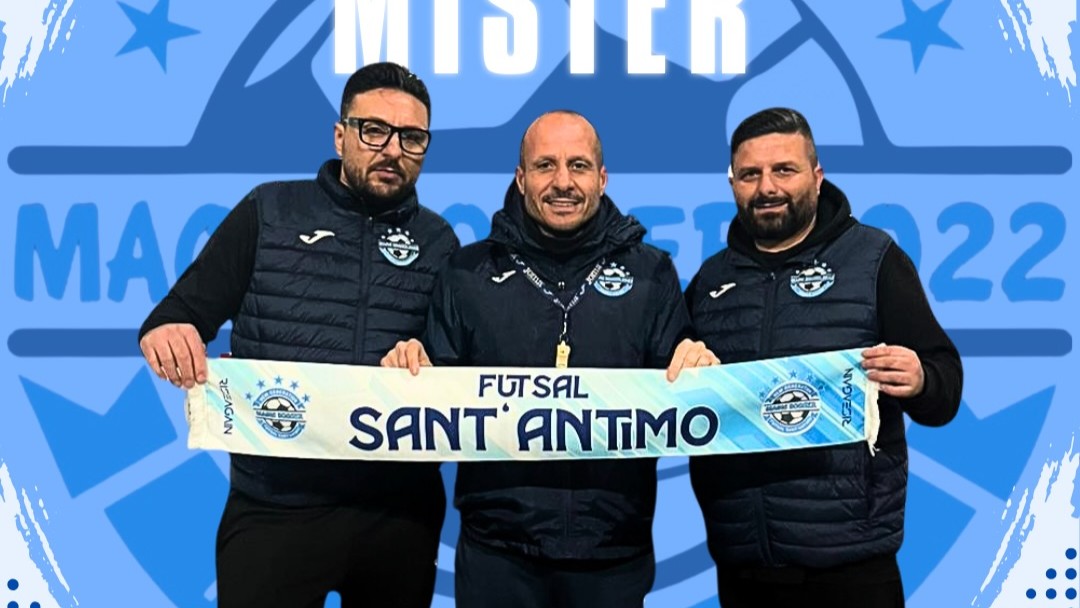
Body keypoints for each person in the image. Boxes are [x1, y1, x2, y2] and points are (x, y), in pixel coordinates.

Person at [137, 62, 459, 608]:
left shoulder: (438, 240)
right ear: (340, 135)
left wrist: (428, 358)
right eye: (374, 130)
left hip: (398, 515)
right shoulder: (269, 211)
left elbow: (455, 363)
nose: (392, 150)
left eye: (412, 137)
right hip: (274, 506)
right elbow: (179, 313)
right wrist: (168, 331)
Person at [382, 110, 717, 607]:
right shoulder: (467, 273)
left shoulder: (652, 274)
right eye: (545, 166)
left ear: (602, 179)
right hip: (497, 553)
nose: (563, 182)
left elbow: (681, 388)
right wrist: (411, 368)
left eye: (578, 166)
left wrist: (698, 365)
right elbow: (434, 402)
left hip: (613, 552)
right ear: (521, 179)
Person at [684, 107, 963, 607]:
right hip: (745, 566)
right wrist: (682, 369)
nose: (767, 187)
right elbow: (669, 399)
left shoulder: (874, 259)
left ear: (816, 175)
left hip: (853, 570)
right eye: (750, 174)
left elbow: (945, 389)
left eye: (784, 170)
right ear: (732, 183)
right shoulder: (710, 281)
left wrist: (922, 378)